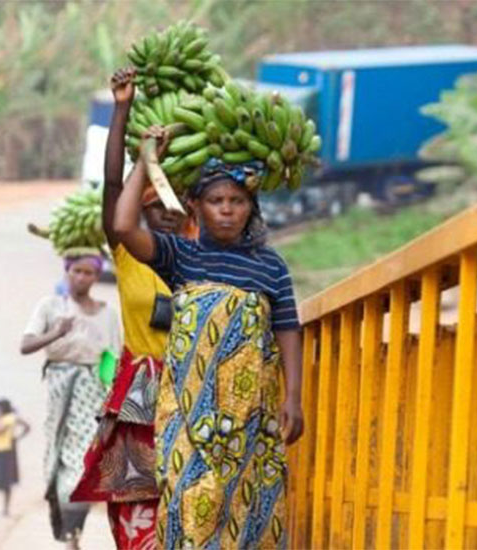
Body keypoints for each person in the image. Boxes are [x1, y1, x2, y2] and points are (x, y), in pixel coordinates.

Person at [114, 137, 304, 549]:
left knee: (250, 507)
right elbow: (124, 227)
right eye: (216, 199)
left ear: (251, 207)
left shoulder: (270, 265)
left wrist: (294, 397)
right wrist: (149, 161)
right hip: (188, 415)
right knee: (187, 503)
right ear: (195, 206)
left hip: (251, 417)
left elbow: (288, 327)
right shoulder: (180, 256)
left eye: (237, 200)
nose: (227, 209)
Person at [71, 68, 192, 550]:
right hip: (140, 397)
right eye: (154, 204)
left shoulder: (202, 257)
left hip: (190, 389)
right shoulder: (127, 255)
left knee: (188, 506)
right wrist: (122, 109)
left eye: (175, 205)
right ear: (140, 211)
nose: (165, 211)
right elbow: (109, 185)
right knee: (136, 512)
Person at [21, 251, 121, 549]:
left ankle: (72, 533)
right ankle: (68, 531)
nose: (81, 277)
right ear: (67, 272)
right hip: (60, 385)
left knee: (84, 460)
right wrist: (56, 332)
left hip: (92, 391)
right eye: (76, 271)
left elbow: (111, 358)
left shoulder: (107, 313)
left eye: (88, 272)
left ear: (96, 276)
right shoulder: (51, 307)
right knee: (58, 456)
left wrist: (112, 399)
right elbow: (26, 344)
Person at [0, 398, 30, 517]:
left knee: (4, 482)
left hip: (4, 452)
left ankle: (3, 508)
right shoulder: (9, 418)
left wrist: (17, 437)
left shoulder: (9, 419)